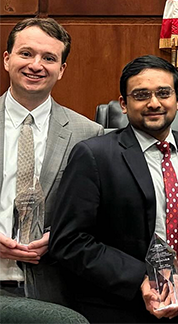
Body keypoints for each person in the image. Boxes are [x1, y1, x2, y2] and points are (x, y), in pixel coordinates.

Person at [49, 55, 178, 323]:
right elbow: (69, 241)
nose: (154, 103)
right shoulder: (94, 155)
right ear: (124, 104)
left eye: (164, 93)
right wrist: (140, 280)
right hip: (119, 307)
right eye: (141, 95)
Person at [0, 18, 103, 303]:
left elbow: (100, 216)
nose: (36, 65)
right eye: (26, 53)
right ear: (7, 60)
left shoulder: (89, 135)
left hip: (53, 288)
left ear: (61, 70)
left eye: (49, 58)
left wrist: (60, 236)